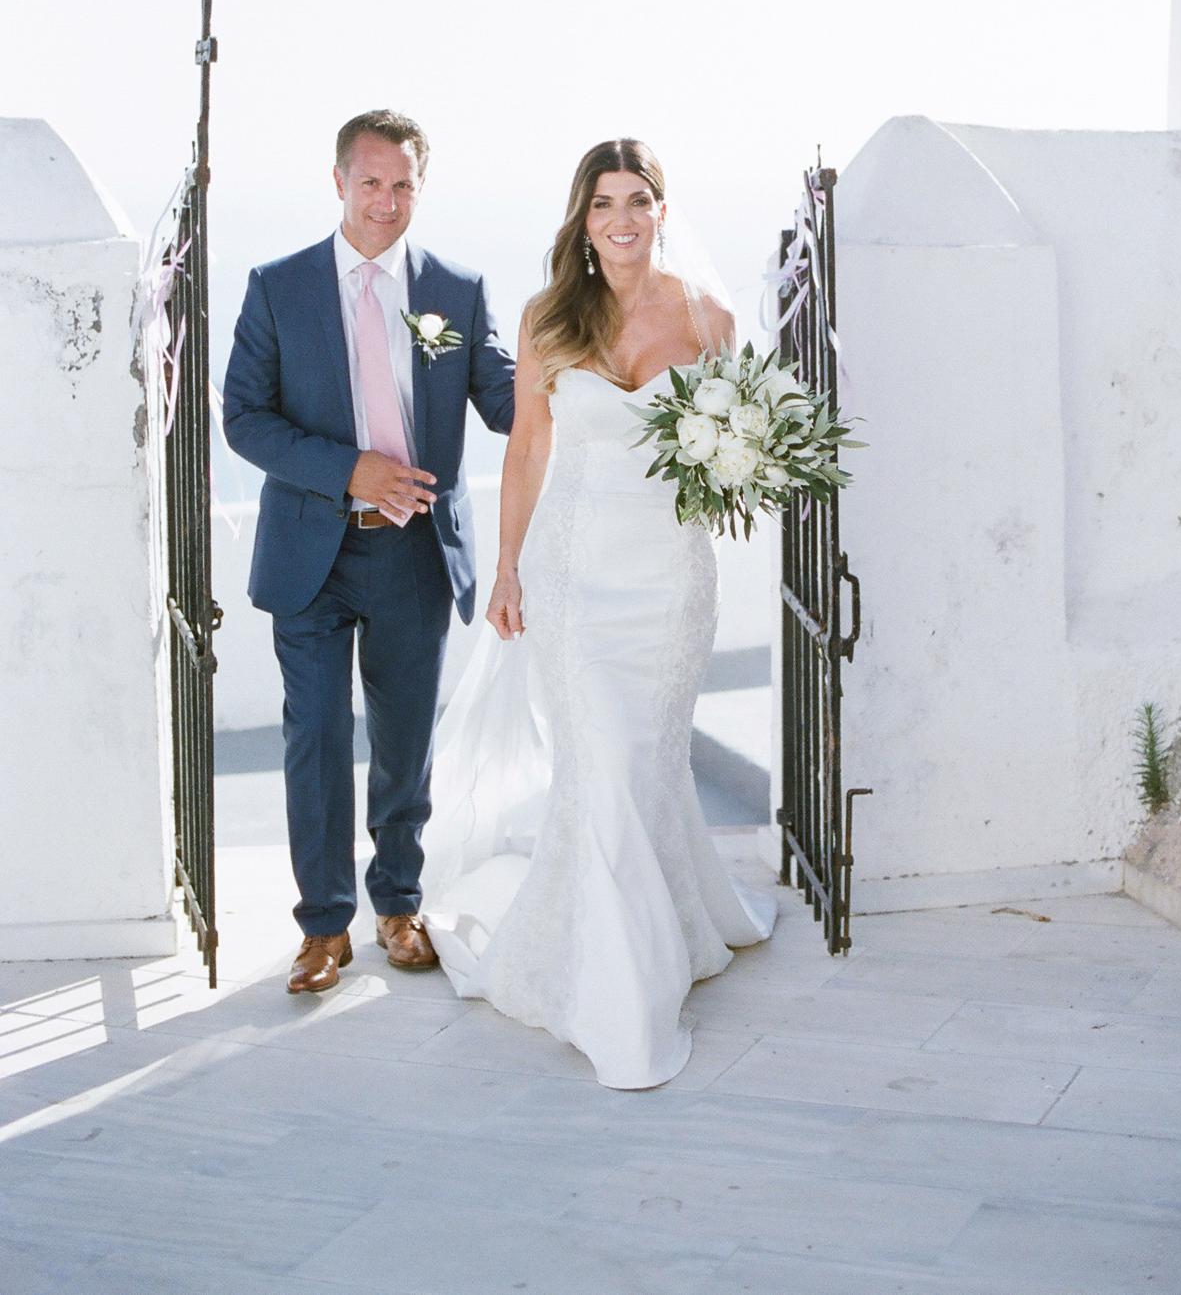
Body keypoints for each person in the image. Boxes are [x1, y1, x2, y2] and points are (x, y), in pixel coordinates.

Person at [422, 137, 775, 1088]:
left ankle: (662, 930)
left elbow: (730, 444)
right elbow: (528, 449)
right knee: (604, 765)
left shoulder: (711, 317)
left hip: (667, 578)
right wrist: (507, 569)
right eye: (603, 203)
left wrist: (741, 460)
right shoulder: (548, 316)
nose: (621, 219)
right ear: (582, 218)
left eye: (637, 200)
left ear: (664, 208)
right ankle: (622, 997)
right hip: (573, 573)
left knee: (644, 762)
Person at [223, 110, 515, 995]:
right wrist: (350, 471)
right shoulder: (278, 286)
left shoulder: (457, 290)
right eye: (371, 182)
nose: (385, 202)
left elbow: (505, 403)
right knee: (314, 737)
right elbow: (244, 418)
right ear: (340, 181)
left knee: (402, 742)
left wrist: (581, 347)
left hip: (414, 554)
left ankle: (398, 904)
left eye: (403, 185)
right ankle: (323, 928)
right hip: (311, 551)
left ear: (419, 188)